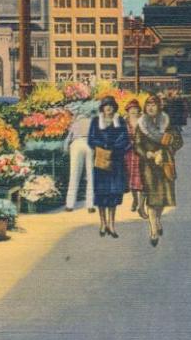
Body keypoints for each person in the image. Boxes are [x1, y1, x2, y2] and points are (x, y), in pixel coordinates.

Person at [134, 94, 184, 247]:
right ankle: (153, 230)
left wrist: (166, 150)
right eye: (148, 105)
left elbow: (179, 141)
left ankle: (157, 219)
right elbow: (137, 145)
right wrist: (147, 153)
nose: (150, 107)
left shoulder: (167, 122)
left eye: (154, 104)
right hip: (148, 164)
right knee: (152, 197)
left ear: (159, 107)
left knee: (162, 199)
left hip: (165, 162)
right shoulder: (141, 124)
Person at [88, 96, 130, 238]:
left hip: (116, 161)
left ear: (114, 107)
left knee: (113, 194)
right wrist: (103, 145)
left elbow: (125, 139)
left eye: (111, 105)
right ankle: (102, 223)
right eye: (106, 106)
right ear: (102, 108)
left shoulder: (120, 121)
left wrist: (115, 148)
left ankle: (112, 224)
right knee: (101, 194)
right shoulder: (95, 121)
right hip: (101, 161)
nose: (108, 108)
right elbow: (91, 139)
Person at [63, 112, 95, 213]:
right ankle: (90, 205)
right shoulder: (91, 122)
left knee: (74, 175)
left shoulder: (75, 123)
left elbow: (68, 139)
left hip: (76, 144)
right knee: (90, 175)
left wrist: (66, 150)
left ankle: (69, 205)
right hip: (89, 143)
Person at [123, 99, 147, 219]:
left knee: (144, 181)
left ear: (139, 110)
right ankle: (135, 200)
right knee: (132, 181)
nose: (133, 111)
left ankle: (141, 207)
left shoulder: (144, 121)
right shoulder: (124, 122)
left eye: (135, 109)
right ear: (127, 111)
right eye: (131, 109)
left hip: (142, 154)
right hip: (129, 154)